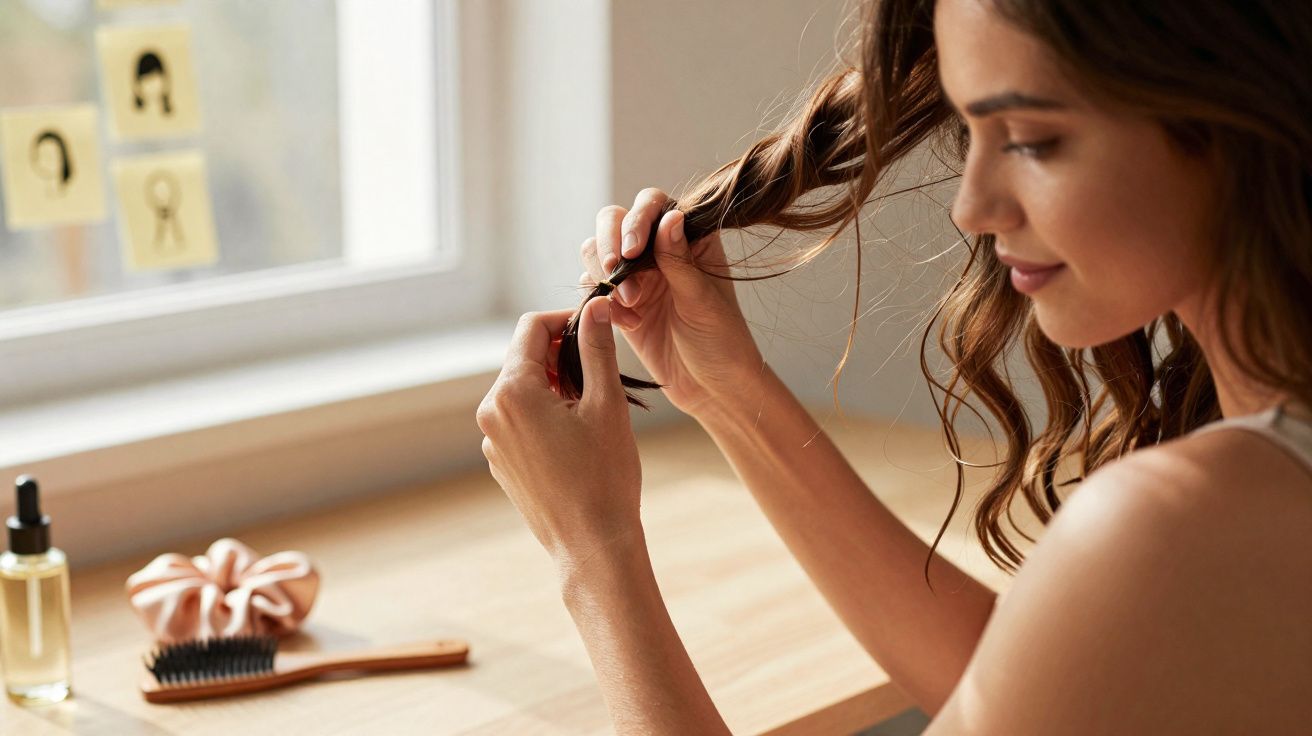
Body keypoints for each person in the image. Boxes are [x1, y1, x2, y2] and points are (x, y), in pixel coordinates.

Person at [476, 0, 1312, 732]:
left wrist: (592, 546)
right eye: (970, 133)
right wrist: (725, 393)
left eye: (1030, 140)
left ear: (1235, 120)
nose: (972, 206)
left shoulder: (1177, 529)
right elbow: (1047, 683)